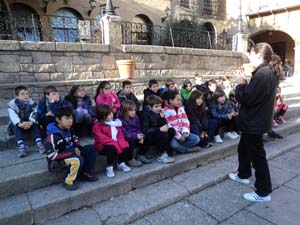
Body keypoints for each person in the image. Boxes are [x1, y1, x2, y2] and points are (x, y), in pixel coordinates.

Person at [229, 43, 280, 202]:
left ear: (258, 54)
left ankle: (263, 192)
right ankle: (243, 174)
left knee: (258, 157)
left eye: (250, 53)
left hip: (254, 122)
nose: (248, 56)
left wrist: (240, 84)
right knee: (243, 148)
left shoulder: (262, 74)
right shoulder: (265, 72)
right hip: (255, 121)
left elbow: (247, 99)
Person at [45, 106, 97, 191]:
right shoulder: (52, 136)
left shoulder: (69, 129)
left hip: (72, 153)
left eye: (72, 118)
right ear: (58, 120)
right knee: (77, 159)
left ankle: (86, 172)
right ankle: (68, 181)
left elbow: (75, 139)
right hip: (58, 160)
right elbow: (52, 155)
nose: (70, 121)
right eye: (67, 118)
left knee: (91, 149)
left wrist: (76, 147)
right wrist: (72, 152)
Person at [93, 104, 131, 178]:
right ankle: (109, 166)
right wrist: (116, 144)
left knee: (125, 145)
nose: (111, 116)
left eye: (111, 114)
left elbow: (119, 135)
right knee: (111, 149)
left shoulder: (115, 123)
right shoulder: (97, 126)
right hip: (102, 145)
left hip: (115, 142)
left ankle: (120, 163)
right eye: (108, 115)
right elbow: (102, 139)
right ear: (102, 116)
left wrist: (121, 143)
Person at [8, 86, 45, 157]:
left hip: (29, 123)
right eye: (22, 94)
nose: (26, 96)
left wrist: (31, 121)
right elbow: (13, 116)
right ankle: (21, 146)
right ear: (17, 96)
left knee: (35, 123)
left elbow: (34, 112)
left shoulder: (31, 103)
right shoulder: (12, 105)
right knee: (14, 124)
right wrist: (19, 124)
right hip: (19, 124)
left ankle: (39, 143)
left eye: (27, 94)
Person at [141, 95, 175, 163]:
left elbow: (164, 126)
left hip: (158, 133)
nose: (159, 108)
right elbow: (146, 130)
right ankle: (160, 155)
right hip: (150, 136)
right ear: (150, 107)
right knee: (163, 133)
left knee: (171, 131)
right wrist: (159, 129)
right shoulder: (146, 114)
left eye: (160, 106)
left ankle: (165, 150)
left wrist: (162, 117)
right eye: (156, 106)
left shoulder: (159, 112)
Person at [118, 100, 143, 167]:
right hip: (126, 137)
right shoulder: (120, 120)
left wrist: (141, 135)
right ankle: (130, 159)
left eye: (134, 110)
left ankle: (141, 155)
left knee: (146, 136)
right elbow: (125, 134)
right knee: (130, 141)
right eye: (131, 111)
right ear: (125, 111)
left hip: (135, 135)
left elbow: (138, 128)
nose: (134, 112)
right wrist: (136, 136)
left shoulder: (136, 117)